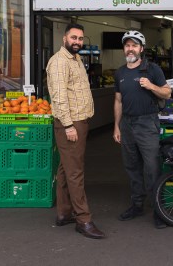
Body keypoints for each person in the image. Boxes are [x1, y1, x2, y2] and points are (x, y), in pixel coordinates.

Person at [46, 23, 105, 239]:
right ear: (64, 38)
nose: (77, 42)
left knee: (65, 168)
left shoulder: (76, 59)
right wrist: (69, 126)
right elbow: (59, 98)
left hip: (79, 121)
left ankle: (63, 213)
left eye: (80, 38)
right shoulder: (60, 62)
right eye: (73, 38)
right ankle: (84, 220)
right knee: (75, 172)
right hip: (70, 124)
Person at [113, 30, 171, 229]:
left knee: (152, 166)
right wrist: (116, 126)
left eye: (134, 45)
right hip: (127, 124)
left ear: (141, 49)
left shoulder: (152, 69)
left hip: (147, 123)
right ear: (124, 49)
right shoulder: (120, 72)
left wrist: (151, 86)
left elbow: (167, 92)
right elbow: (118, 101)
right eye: (127, 45)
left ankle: (158, 210)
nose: (130, 48)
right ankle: (137, 205)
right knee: (132, 166)